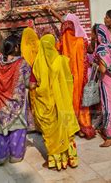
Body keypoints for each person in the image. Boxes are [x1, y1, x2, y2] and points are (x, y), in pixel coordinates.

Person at [32, 34, 80, 171]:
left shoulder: (37, 63)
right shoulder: (61, 60)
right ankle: (71, 159)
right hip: (62, 102)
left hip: (46, 104)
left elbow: (32, 84)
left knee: (51, 133)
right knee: (64, 128)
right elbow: (69, 81)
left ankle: (55, 161)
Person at [0, 35, 33, 165]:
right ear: (16, 47)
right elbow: (29, 83)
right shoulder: (22, 64)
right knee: (17, 130)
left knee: (0, 130)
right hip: (16, 104)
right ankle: (15, 156)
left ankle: (1, 156)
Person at [57, 16, 96, 139]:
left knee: (69, 102)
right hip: (80, 78)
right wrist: (93, 39)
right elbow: (90, 50)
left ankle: (72, 127)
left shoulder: (59, 44)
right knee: (81, 101)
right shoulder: (80, 41)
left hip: (66, 79)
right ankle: (83, 126)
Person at [92, 24, 111, 147]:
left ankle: (109, 136)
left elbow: (103, 69)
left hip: (107, 80)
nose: (92, 36)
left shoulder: (101, 49)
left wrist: (94, 65)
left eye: (93, 33)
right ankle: (110, 129)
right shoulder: (110, 45)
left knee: (107, 107)